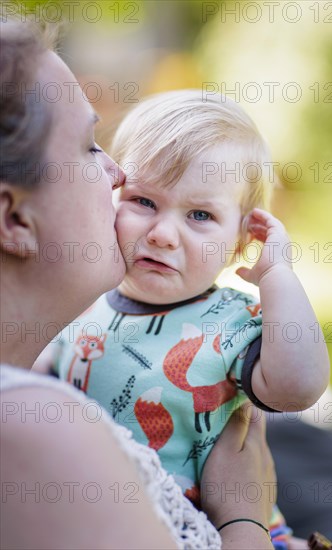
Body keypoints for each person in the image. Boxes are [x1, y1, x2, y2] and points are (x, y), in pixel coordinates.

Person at [0, 19, 276, 550]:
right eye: (88, 147)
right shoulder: (38, 433)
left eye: (199, 214)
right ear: (13, 219)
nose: (117, 175)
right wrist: (244, 515)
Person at [50, 91, 329, 548]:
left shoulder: (231, 323)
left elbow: (298, 387)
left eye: (199, 215)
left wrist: (277, 275)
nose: (161, 235)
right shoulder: (82, 306)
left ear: (242, 241)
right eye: (143, 201)